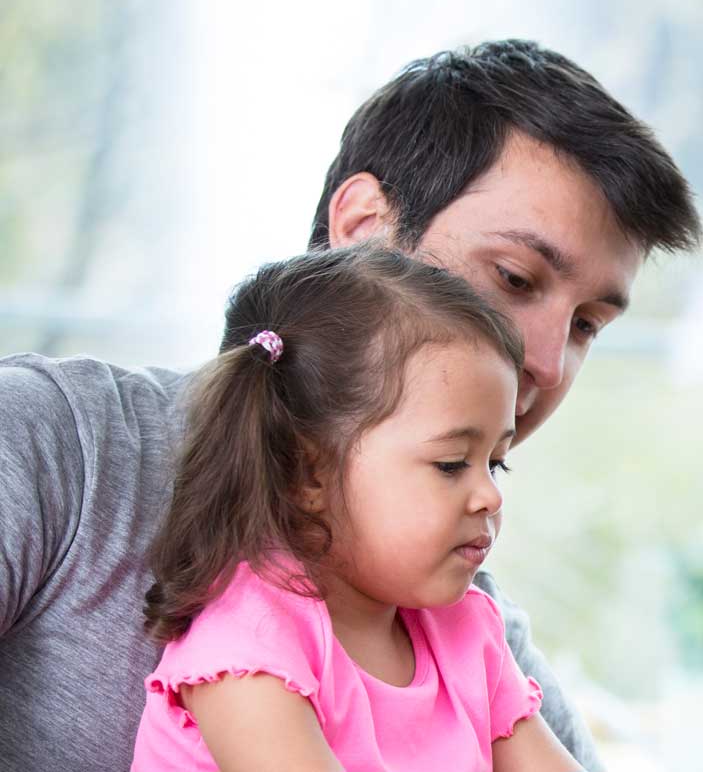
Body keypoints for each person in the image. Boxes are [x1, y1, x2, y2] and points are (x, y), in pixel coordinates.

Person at [0, 39, 700, 770]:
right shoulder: (52, 447)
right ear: (364, 227)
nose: (548, 363)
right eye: (516, 278)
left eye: (587, 324)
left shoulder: (463, 625)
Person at [131, 246, 577, 770]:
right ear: (308, 473)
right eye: (453, 464)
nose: (491, 496)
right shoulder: (251, 639)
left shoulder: (464, 629)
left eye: (496, 463)